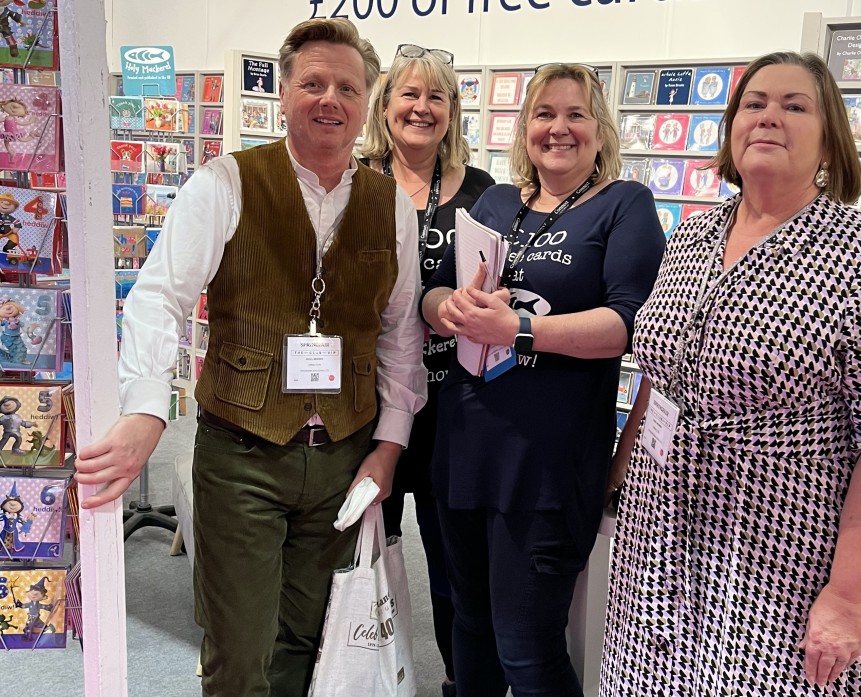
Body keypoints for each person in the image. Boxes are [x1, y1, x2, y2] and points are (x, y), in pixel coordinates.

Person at [74, 18, 426, 697]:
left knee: (310, 639)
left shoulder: (392, 208)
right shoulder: (224, 183)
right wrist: (147, 408)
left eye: (347, 88)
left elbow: (400, 336)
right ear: (285, 92)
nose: (330, 99)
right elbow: (157, 298)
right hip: (242, 456)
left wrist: (389, 445)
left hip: (343, 460)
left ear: (368, 103)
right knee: (238, 652)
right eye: (313, 84)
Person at [600, 51, 861, 696]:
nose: (769, 117)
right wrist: (619, 484)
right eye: (754, 103)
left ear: (828, 139)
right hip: (656, 549)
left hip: (779, 566)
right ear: (732, 128)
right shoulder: (693, 237)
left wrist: (849, 598)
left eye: (795, 106)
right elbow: (658, 375)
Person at [421, 63, 665, 696]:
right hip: (466, 441)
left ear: (599, 128)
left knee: (527, 648)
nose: (558, 128)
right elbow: (444, 287)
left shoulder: (625, 204)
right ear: (524, 126)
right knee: (467, 628)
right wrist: (446, 307)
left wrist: (520, 332)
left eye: (575, 114)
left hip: (549, 460)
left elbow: (628, 323)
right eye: (544, 114)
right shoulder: (497, 201)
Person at [360, 42, 494, 697]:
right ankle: (368, 676)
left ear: (452, 110)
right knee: (367, 559)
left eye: (435, 96)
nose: (421, 107)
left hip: (453, 411)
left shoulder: (483, 193)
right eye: (408, 95)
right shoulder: (352, 180)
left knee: (454, 567)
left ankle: (458, 681)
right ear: (385, 107)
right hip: (368, 406)